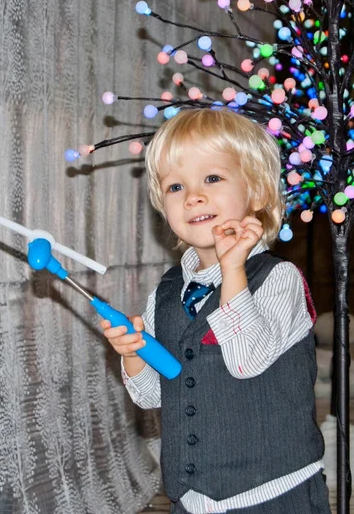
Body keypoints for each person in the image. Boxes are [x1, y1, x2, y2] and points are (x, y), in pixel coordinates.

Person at [100, 107, 331, 514]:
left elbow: (246, 361)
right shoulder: (168, 292)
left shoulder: (279, 279)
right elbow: (155, 395)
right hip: (192, 499)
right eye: (175, 187)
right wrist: (134, 355)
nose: (193, 196)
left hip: (275, 494)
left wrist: (232, 270)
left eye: (212, 178)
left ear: (257, 192)